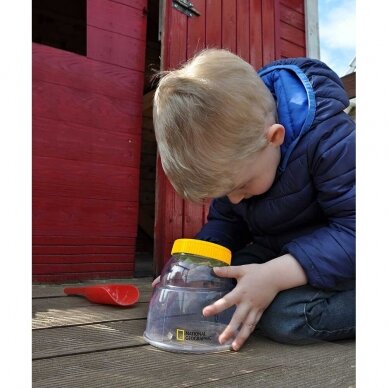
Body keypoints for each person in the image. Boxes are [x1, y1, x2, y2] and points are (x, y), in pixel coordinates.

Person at [152, 49, 355, 351]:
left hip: (343, 256)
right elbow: (226, 221)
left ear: (275, 138)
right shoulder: (242, 158)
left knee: (284, 315)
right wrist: (195, 270)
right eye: (224, 193)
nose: (234, 199)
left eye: (242, 187)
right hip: (280, 250)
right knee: (222, 287)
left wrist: (274, 276)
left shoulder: (331, 141)